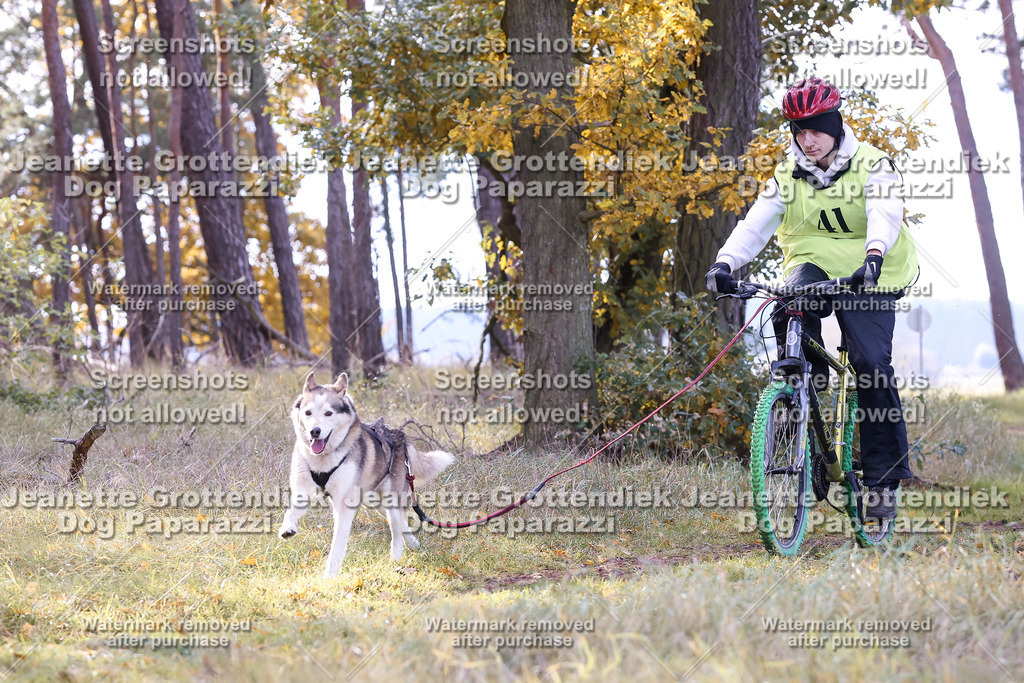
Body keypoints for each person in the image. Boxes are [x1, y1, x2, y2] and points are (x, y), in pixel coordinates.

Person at [704, 77, 919, 523]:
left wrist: (874, 254)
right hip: (814, 263)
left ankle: (882, 481)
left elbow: (884, 210)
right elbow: (756, 223)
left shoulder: (873, 163)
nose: (807, 140)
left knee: (871, 367)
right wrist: (725, 263)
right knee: (788, 302)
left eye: (816, 129)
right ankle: (801, 398)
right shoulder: (787, 173)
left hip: (871, 271)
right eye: (799, 131)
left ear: (836, 125)